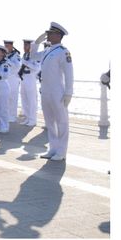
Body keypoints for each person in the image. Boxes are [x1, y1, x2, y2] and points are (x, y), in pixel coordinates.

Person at [34, 22, 74, 160]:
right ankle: (53, 149)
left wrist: (68, 92)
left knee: (62, 122)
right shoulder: (47, 51)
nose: (48, 36)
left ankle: (61, 152)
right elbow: (33, 56)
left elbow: (69, 73)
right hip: (45, 91)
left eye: (50, 33)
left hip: (57, 92)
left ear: (58, 35)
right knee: (49, 121)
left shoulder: (63, 52)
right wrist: (37, 42)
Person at [19, 39, 40, 127]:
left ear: (31, 46)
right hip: (24, 78)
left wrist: (26, 63)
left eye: (26, 45)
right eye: (24, 45)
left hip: (30, 79)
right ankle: (27, 118)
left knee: (31, 100)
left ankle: (32, 120)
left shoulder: (35, 56)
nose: (24, 47)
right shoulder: (25, 55)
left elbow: (37, 68)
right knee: (24, 99)